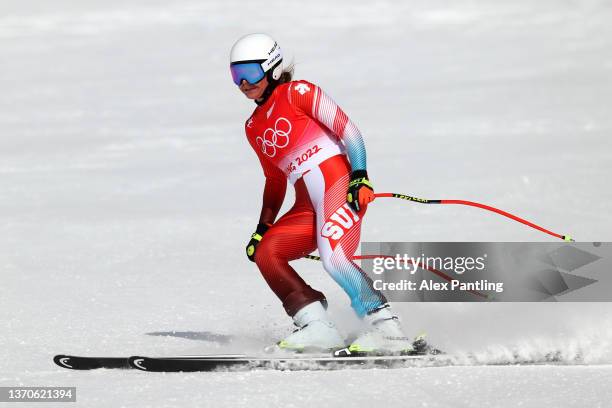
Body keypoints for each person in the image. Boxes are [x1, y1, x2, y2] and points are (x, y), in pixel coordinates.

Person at [230, 33, 413, 354]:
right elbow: (274, 180)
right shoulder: (253, 126)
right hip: (306, 204)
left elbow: (349, 131)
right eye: (235, 75)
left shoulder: (299, 93)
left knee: (334, 257)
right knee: (267, 254)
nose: (244, 83)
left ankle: (389, 330)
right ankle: (315, 325)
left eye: (250, 72)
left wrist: (360, 177)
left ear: (272, 67)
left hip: (339, 185)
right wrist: (262, 229)